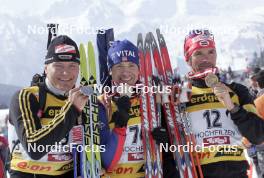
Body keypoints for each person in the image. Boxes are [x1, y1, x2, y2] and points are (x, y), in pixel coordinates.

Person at [182, 29, 263, 178]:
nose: (206, 58)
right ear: (188, 59)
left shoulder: (237, 90)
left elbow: (258, 135)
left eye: (211, 52)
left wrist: (233, 107)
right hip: (198, 172)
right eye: (198, 53)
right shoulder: (181, 94)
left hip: (236, 172)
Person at [8, 35, 89, 178]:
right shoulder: (27, 97)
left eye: (72, 66)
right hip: (27, 173)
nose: (66, 72)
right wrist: (72, 109)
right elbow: (34, 148)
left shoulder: (82, 99)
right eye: (58, 66)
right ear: (46, 68)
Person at [98, 40, 177, 178]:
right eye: (119, 66)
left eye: (131, 65)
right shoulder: (102, 103)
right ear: (110, 70)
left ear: (140, 69)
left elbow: (177, 141)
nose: (125, 72)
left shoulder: (153, 98)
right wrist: (120, 126)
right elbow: (106, 162)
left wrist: (167, 142)